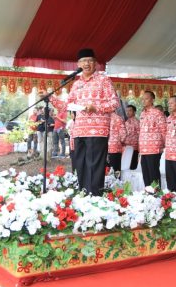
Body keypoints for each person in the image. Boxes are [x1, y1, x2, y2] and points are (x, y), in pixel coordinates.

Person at [45, 48, 118, 196]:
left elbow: (114, 103)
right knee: (81, 164)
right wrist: (50, 98)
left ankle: (95, 196)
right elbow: (67, 105)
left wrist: (95, 107)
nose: (87, 63)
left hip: (98, 130)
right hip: (79, 131)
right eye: (84, 61)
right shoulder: (76, 84)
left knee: (94, 165)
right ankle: (84, 194)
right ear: (78, 64)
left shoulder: (104, 80)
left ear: (95, 63)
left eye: (90, 60)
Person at [139, 91, 167, 187]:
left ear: (152, 100)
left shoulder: (158, 113)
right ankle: (148, 193)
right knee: (145, 173)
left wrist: (164, 145)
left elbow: (164, 130)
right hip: (144, 148)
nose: (143, 100)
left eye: (146, 98)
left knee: (153, 172)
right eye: (142, 99)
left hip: (154, 148)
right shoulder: (142, 113)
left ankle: (156, 194)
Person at [107, 108, 128, 173]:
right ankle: (116, 182)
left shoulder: (104, 118)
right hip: (115, 146)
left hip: (104, 147)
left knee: (107, 168)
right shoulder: (118, 118)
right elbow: (123, 133)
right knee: (115, 168)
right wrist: (120, 141)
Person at [124, 105, 140, 170]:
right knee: (126, 165)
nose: (127, 112)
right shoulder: (126, 122)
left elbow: (140, 134)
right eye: (126, 111)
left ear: (134, 112)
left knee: (133, 165)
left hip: (134, 148)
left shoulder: (137, 122)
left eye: (130, 110)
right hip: (127, 147)